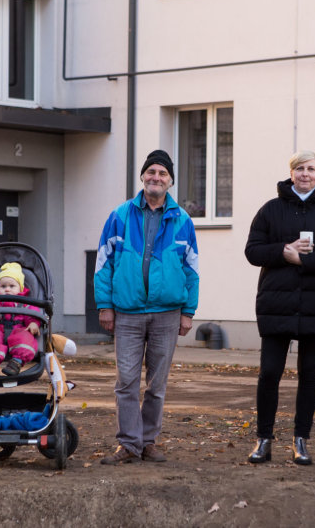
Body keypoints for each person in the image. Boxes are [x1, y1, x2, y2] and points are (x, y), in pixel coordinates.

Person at [244, 150, 315, 465]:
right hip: (278, 304)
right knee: (270, 373)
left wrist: (302, 260)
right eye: (299, 169)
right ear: (291, 173)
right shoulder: (271, 210)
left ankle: (301, 439)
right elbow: (252, 251)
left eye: (311, 169)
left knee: (310, 374)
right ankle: (263, 438)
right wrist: (283, 251)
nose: (305, 174)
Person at [94, 149, 199, 465]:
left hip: (168, 314)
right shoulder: (120, 216)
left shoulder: (182, 220)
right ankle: (129, 444)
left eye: (162, 173)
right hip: (126, 312)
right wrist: (104, 305)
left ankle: (148, 441)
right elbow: (104, 263)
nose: (156, 177)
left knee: (157, 385)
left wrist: (188, 312)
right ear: (143, 176)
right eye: (151, 172)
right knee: (126, 381)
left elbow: (192, 269)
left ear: (170, 181)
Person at [0, 262, 41, 377]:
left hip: (19, 329)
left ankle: (16, 362)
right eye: (3, 286)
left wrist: (33, 323)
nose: (7, 289)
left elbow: (33, 314)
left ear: (20, 287)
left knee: (26, 337)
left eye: (12, 286)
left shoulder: (25, 302)